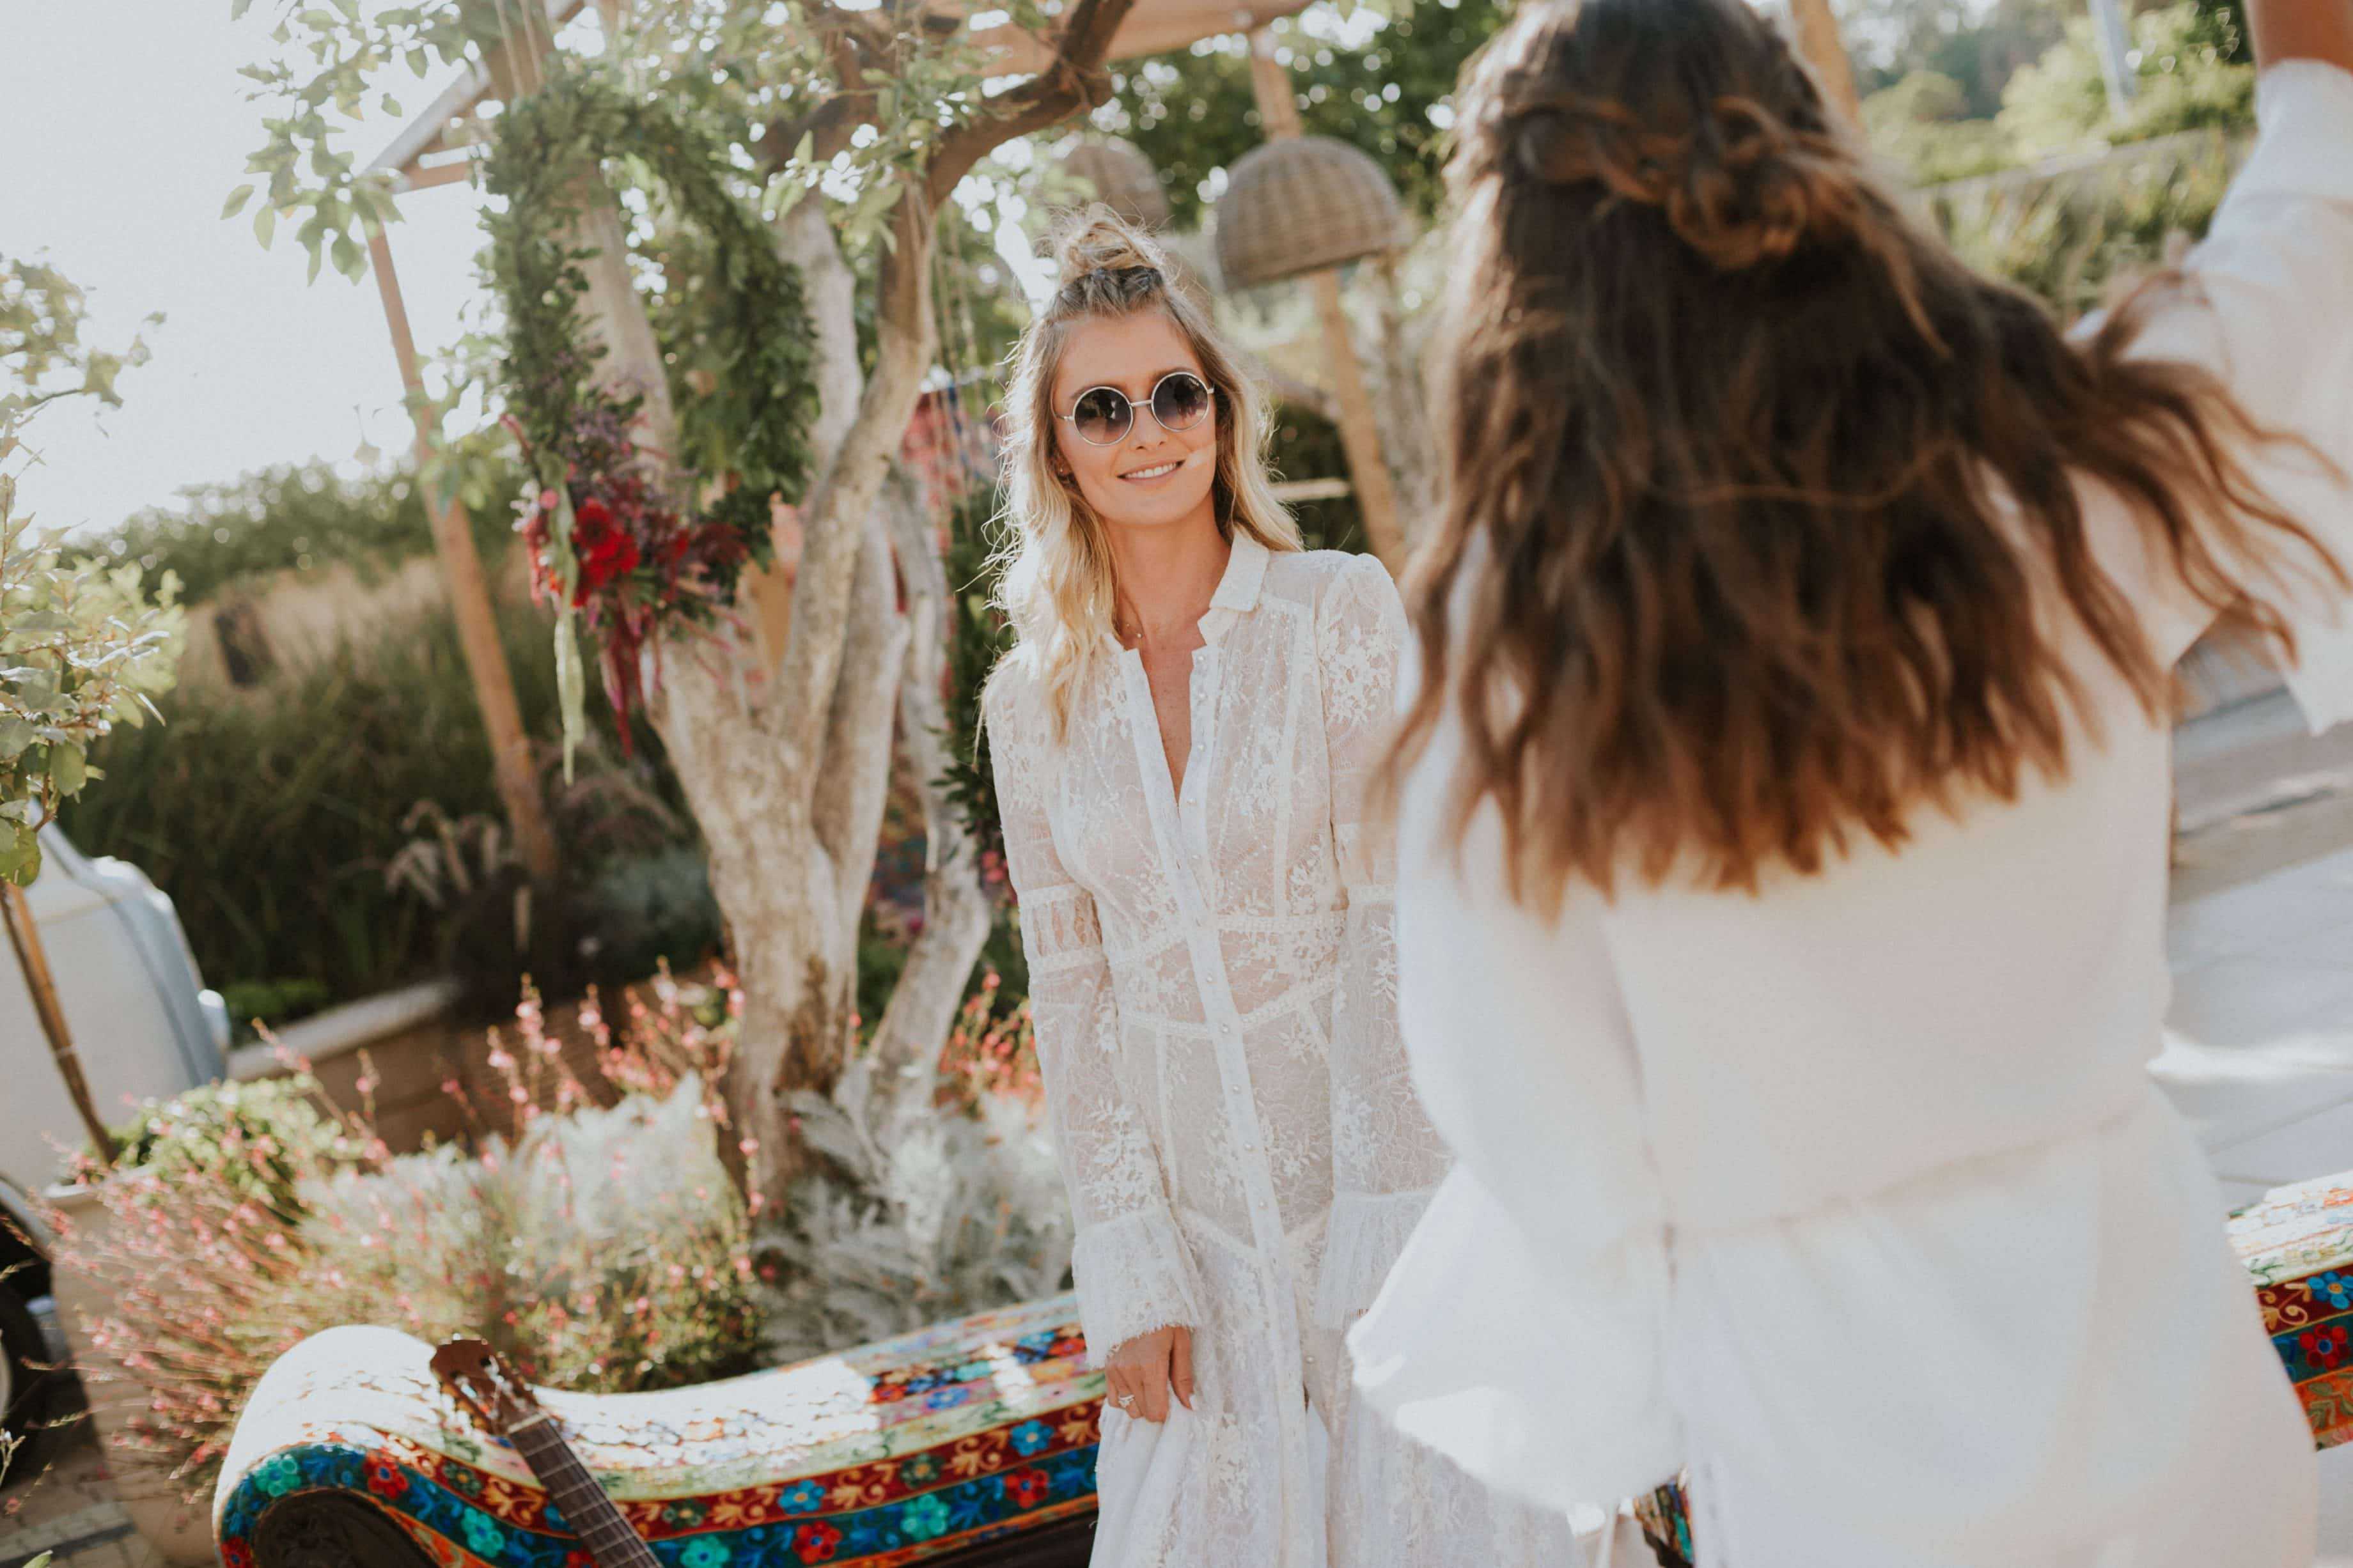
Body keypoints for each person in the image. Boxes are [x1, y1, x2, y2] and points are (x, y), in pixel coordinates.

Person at [1347, 1, 2353, 1564]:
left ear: (1517, 277)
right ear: (1820, 176)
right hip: (2163, 1402)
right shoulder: (2059, 485)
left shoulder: (1520, 664)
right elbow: (2302, 239)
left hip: (1830, 1445)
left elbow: (1539, 1130)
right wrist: (2303, 81)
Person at [983, 213, 1581, 1567]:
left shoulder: (1335, 613)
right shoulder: (1031, 704)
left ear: (1221, 408)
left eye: (1175, 393)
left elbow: (1402, 910)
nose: (1148, 431)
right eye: (1102, 407)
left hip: (1386, 1204)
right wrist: (1130, 1261)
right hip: (1198, 1264)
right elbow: (1071, 992)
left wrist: (1385, 1213)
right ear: (1058, 451)